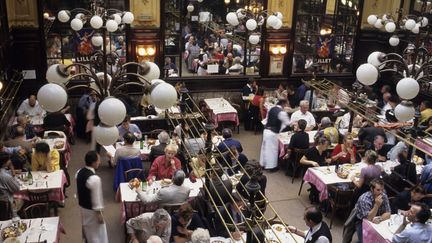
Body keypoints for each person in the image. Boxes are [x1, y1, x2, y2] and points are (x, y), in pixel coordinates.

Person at [75, 151, 108, 243]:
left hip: (83, 207)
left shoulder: (79, 172)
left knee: (88, 230)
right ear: (93, 162)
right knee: (97, 233)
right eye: (98, 160)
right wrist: (99, 214)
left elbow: (78, 191)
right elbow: (96, 198)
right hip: (92, 211)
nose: (99, 162)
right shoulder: (94, 179)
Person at [259, 99, 290, 171]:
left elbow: (266, 119)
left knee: (264, 148)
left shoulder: (271, 108)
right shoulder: (282, 113)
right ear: (284, 104)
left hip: (266, 130)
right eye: (287, 104)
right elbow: (288, 123)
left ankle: (263, 164)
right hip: (273, 133)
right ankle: (271, 167)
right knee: (272, 150)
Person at [0, 152, 20, 218]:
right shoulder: (5, 176)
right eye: (9, 159)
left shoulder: (3, 172)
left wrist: (12, 169)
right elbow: (16, 188)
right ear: (5, 162)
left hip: (3, 200)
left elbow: (6, 172)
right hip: (6, 203)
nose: (10, 161)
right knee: (24, 197)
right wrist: (13, 174)